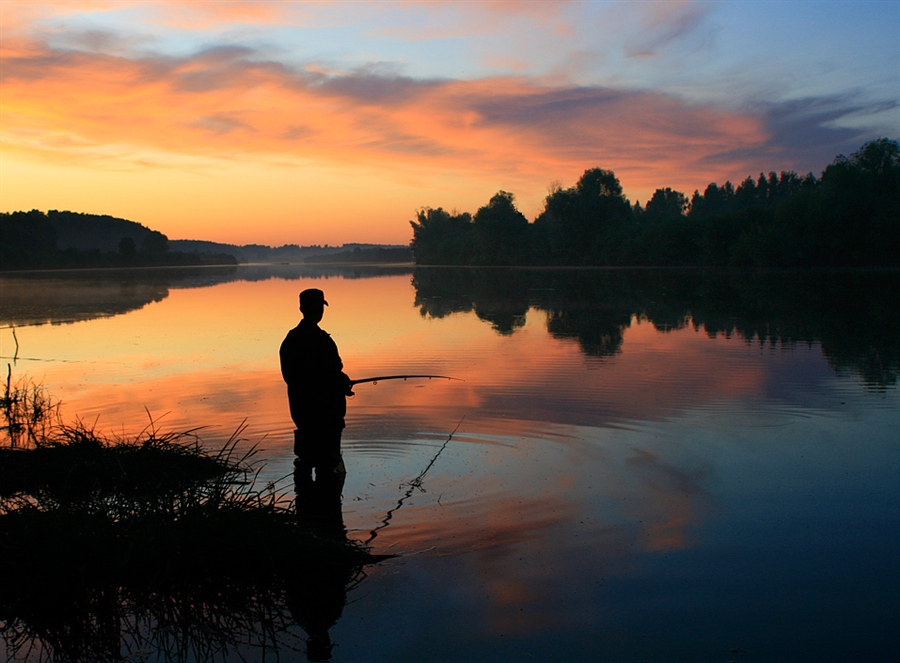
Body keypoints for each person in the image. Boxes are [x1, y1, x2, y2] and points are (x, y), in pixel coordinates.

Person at [280, 288, 352, 476]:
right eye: (318, 307)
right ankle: (326, 500)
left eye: (319, 306)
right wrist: (340, 384)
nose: (319, 311)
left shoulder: (291, 340)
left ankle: (304, 501)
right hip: (327, 414)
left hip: (302, 412)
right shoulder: (322, 341)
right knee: (328, 465)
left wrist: (340, 381)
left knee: (305, 462)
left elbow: (291, 377)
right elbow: (332, 373)